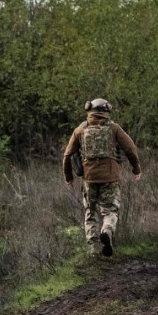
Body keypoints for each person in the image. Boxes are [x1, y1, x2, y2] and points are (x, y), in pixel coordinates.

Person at [62, 98, 141, 256]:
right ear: (106, 112)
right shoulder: (114, 128)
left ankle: (93, 249)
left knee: (90, 212)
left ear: (89, 111)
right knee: (110, 210)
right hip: (110, 178)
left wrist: (68, 176)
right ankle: (107, 230)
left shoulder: (80, 130)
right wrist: (136, 168)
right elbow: (131, 149)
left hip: (89, 178)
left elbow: (67, 155)